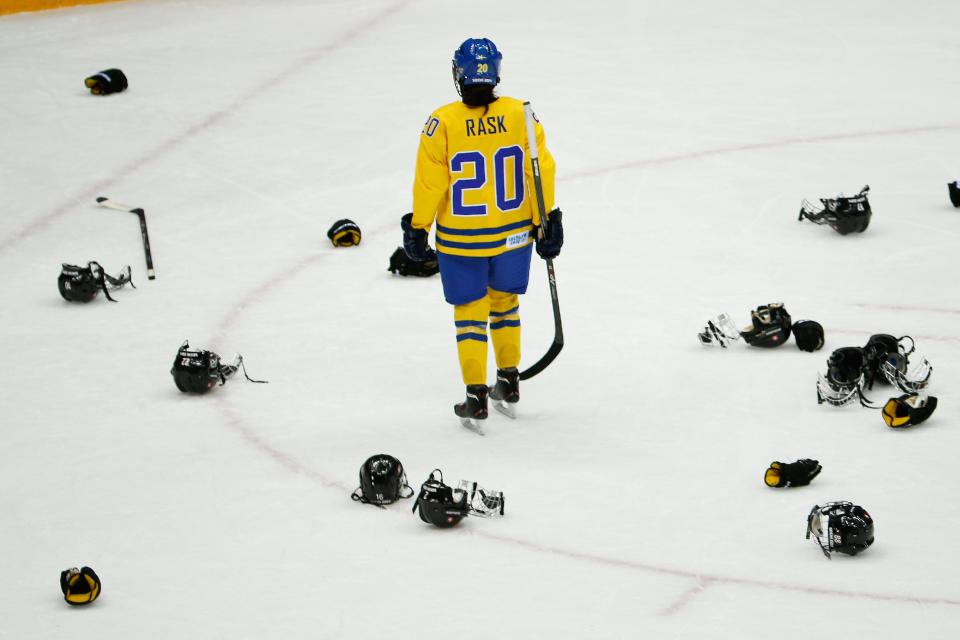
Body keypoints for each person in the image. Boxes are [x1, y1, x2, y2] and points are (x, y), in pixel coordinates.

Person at [402, 37, 564, 425]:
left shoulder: (442, 121)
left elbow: (430, 184)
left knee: (470, 313)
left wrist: (418, 226)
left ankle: (476, 395)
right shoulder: (520, 113)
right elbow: (540, 169)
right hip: (513, 236)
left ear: (459, 72)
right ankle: (509, 379)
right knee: (505, 303)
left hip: (462, 240)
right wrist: (548, 219)